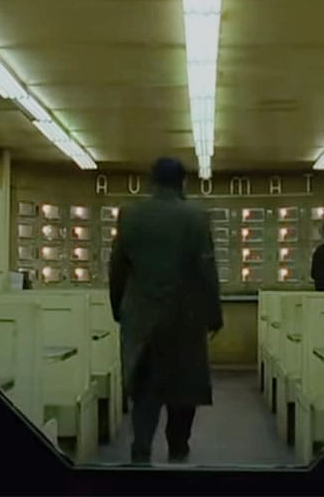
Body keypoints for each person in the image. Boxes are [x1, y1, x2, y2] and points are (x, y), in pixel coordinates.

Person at [109, 157, 223, 464]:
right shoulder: (196, 216)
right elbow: (206, 269)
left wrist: (118, 307)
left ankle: (142, 446)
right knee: (183, 386)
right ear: (182, 182)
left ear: (152, 181)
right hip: (184, 317)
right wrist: (214, 315)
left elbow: (117, 267)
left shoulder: (129, 214)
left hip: (142, 316)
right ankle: (178, 447)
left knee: (145, 386)